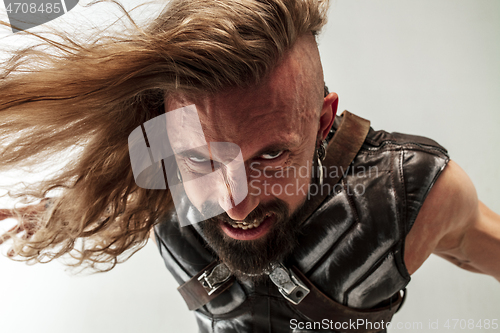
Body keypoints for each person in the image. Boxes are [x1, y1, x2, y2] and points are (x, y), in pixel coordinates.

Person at [0, 0, 499, 332]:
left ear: (323, 120)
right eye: (200, 158)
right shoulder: (154, 168)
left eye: (272, 155)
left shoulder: (408, 194)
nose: (236, 202)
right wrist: (48, 218)